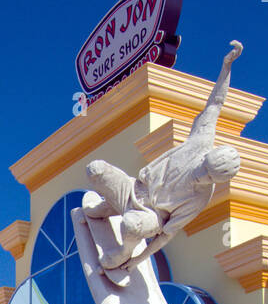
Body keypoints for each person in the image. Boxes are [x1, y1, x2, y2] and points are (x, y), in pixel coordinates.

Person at [82, 41, 243, 272]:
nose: (203, 175)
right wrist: (226, 67)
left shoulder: (200, 198)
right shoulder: (200, 142)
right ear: (207, 156)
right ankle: (109, 206)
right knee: (95, 169)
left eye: (210, 177)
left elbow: (166, 235)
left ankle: (124, 250)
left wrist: (137, 259)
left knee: (130, 223)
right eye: (205, 167)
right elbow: (215, 104)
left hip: (150, 215)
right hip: (133, 189)